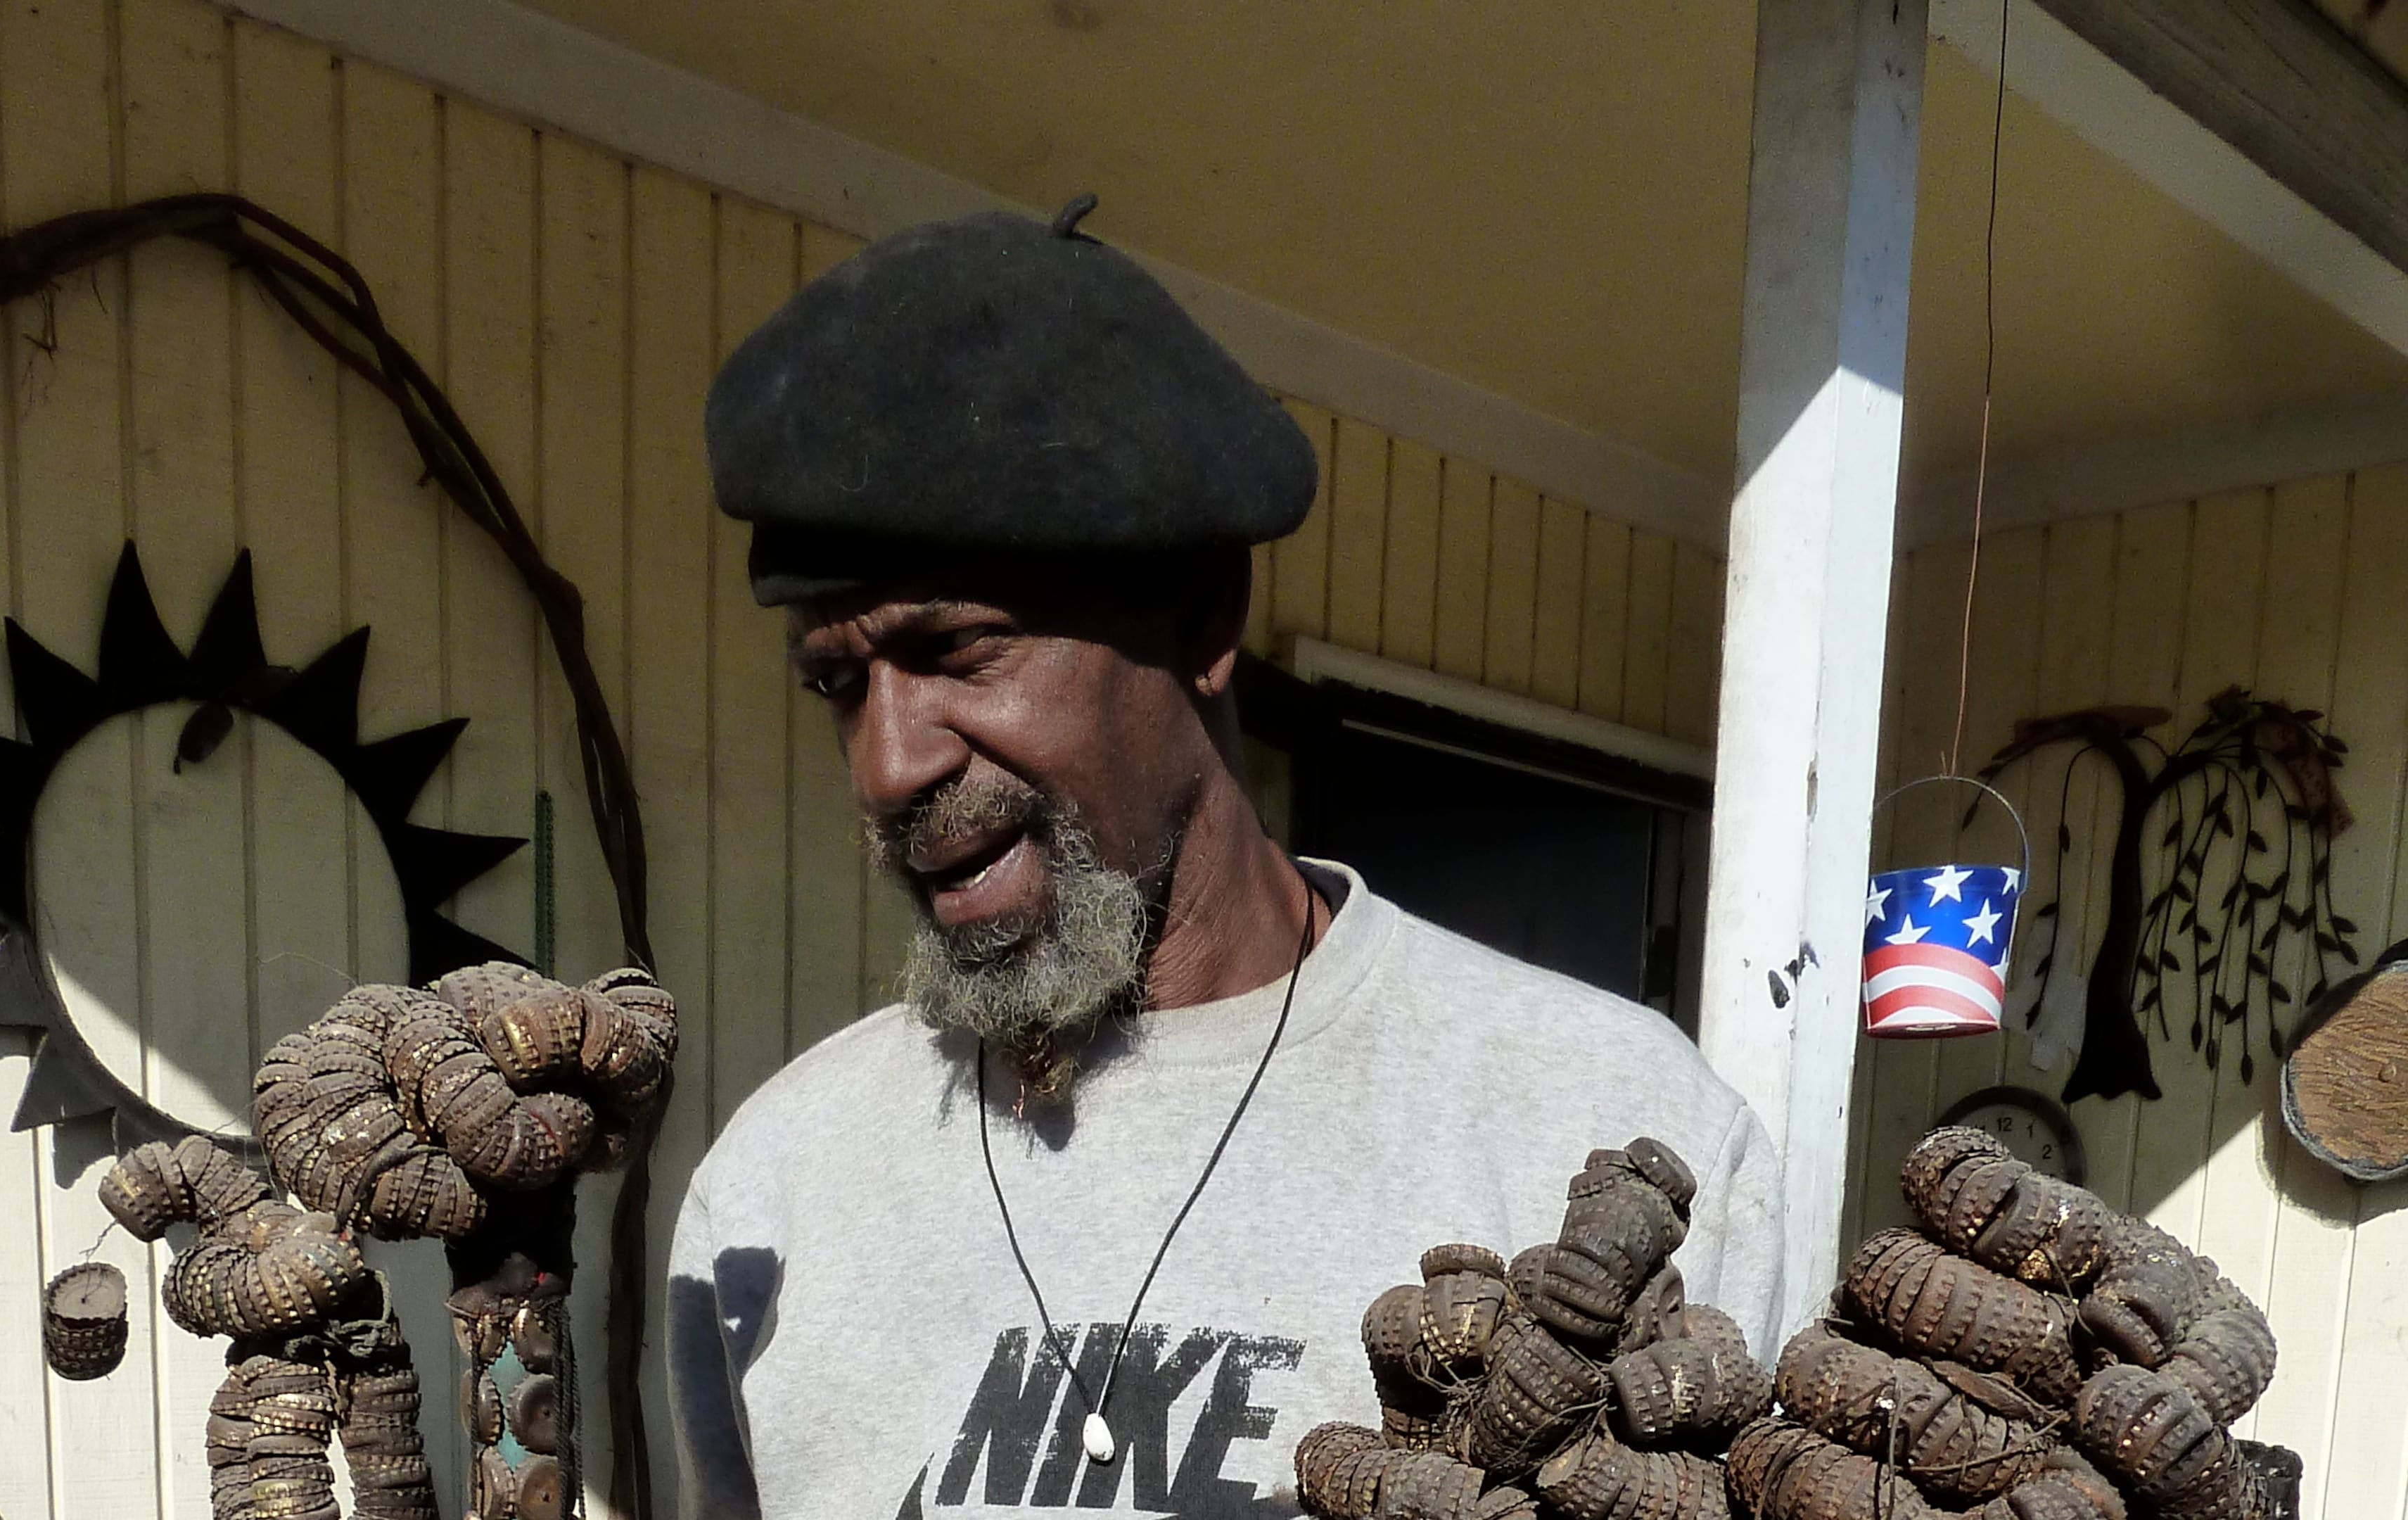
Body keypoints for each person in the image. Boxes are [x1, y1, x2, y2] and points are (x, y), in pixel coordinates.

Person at [665, 196, 1783, 1519]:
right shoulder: (773, 1195)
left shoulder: (1611, 1126)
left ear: (1202, 620)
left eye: (959, 651)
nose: (888, 765)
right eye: (838, 685)